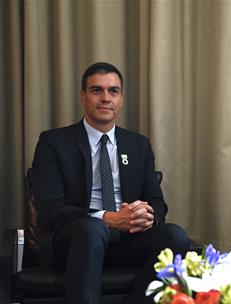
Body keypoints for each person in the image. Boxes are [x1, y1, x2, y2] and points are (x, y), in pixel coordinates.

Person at [32, 62, 189, 304]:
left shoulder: (138, 145)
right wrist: (108, 218)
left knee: (175, 236)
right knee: (92, 229)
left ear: (121, 99)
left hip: (127, 240)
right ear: (83, 96)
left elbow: (157, 204)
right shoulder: (53, 143)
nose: (106, 98)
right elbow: (50, 211)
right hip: (75, 242)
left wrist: (145, 216)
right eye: (97, 90)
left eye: (113, 91)